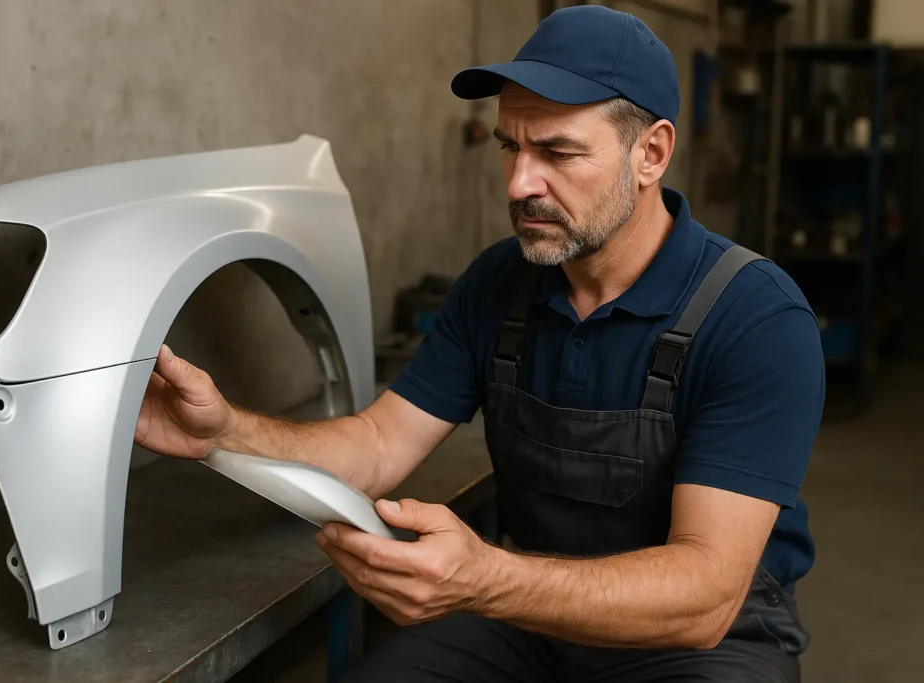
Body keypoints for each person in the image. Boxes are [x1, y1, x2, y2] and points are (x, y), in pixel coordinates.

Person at [134, 5, 824, 681]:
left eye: (557, 151)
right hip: (530, 621)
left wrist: (486, 577)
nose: (521, 183)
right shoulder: (501, 283)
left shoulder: (754, 318)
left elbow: (704, 595)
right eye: (510, 146)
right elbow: (377, 447)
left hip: (697, 644)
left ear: (651, 153)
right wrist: (225, 431)